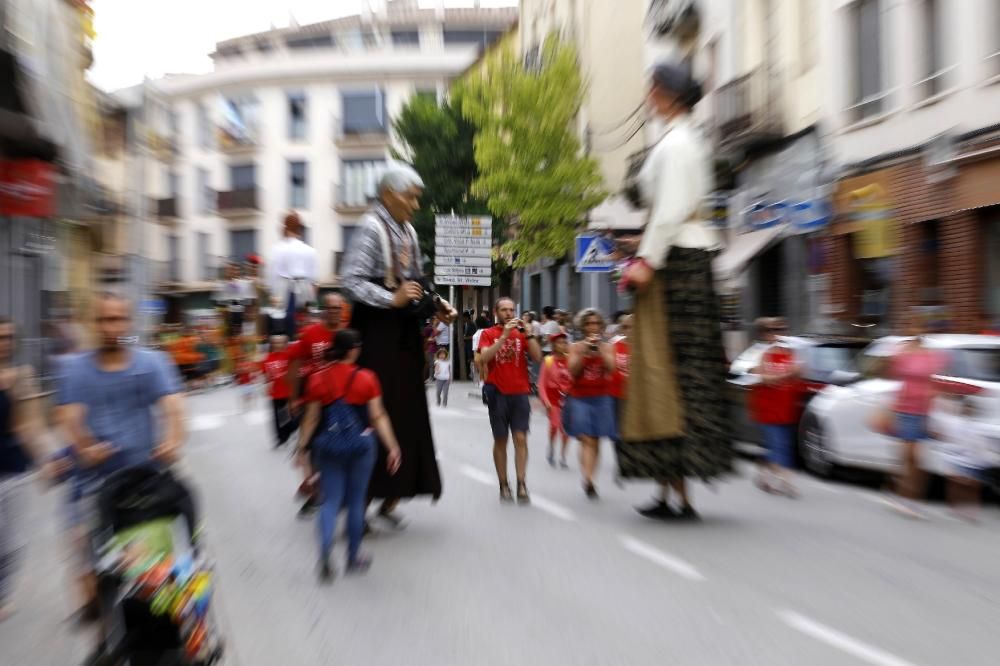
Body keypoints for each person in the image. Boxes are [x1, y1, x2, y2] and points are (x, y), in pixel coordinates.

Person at [617, 62, 733, 521]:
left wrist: (647, 259)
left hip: (677, 263)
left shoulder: (678, 143)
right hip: (682, 255)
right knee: (669, 373)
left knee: (666, 372)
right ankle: (673, 489)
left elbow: (669, 212)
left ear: (662, 93)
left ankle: (677, 490)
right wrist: (644, 247)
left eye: (651, 87)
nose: (647, 94)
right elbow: (671, 211)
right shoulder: (681, 140)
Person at [57, 294, 184, 626]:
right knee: (92, 568)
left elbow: (173, 407)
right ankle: (104, 636)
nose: (110, 327)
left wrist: (171, 442)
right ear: (93, 324)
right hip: (94, 483)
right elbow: (70, 418)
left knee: (154, 567)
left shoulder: (152, 364)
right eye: (103, 320)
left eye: (116, 319)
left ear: (128, 323)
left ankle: (172, 629)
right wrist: (85, 447)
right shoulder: (76, 370)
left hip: (143, 483)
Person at [341, 162, 455, 526]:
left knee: (405, 414)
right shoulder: (371, 228)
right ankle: (360, 497)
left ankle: (393, 490)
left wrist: (438, 306)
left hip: (402, 338)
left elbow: (416, 281)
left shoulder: (407, 230)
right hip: (376, 335)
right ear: (389, 194)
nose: (415, 205)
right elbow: (351, 282)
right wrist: (391, 299)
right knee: (374, 411)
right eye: (411, 197)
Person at [298, 330, 402, 582]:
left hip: (328, 447)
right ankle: (353, 558)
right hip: (361, 447)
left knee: (330, 501)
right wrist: (392, 446)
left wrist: (302, 449)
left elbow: (311, 419)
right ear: (354, 349)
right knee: (356, 502)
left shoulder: (317, 379)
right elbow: (377, 416)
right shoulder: (367, 378)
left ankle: (325, 553)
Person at [0, 317, 47, 622]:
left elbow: (28, 424)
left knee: (12, 541)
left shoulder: (20, 376)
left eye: (8, 336)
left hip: (14, 468)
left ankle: (2, 593)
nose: (4, 342)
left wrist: (45, 459)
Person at [478, 298, 542, 503]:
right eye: (504, 310)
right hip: (497, 392)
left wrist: (529, 334)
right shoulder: (487, 334)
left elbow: (538, 357)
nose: (508, 313)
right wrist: (504, 335)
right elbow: (484, 358)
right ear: (496, 312)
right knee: (501, 440)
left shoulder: (521, 333)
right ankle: (503, 484)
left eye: (511, 310)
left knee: (521, 438)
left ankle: (521, 482)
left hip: (520, 392)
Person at [288, 292, 346, 514]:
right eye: (329, 308)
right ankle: (314, 491)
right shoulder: (310, 333)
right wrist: (293, 398)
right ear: (323, 310)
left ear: (342, 311)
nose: (333, 312)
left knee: (340, 447)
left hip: (340, 400)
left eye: (337, 308)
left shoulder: (346, 333)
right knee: (309, 447)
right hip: (313, 399)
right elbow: (294, 364)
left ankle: (335, 489)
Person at [885, 325, 948, 519]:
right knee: (909, 456)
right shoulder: (904, 354)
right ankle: (903, 494)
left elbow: (934, 378)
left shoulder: (932, 357)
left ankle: (911, 498)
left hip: (924, 411)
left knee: (916, 458)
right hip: (906, 410)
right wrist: (903, 351)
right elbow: (892, 371)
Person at [565, 309, 617, 499]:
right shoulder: (576, 346)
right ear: (582, 327)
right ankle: (587, 480)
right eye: (588, 324)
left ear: (601, 327)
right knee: (586, 438)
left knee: (595, 440)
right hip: (580, 398)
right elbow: (573, 371)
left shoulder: (607, 347)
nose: (592, 327)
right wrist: (585, 351)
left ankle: (591, 478)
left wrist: (601, 353)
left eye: (596, 323)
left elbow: (612, 369)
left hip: (601, 398)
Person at [749, 318, 803, 498]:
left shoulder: (790, 352)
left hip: (786, 406)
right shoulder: (759, 352)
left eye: (782, 329)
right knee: (779, 444)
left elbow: (799, 373)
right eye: (773, 330)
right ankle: (785, 480)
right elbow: (762, 378)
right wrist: (787, 374)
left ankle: (764, 467)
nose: (778, 333)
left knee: (781, 444)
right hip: (767, 407)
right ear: (764, 333)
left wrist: (795, 373)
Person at [933, 396, 1000, 522]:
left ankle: (970, 511)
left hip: (973, 460)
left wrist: (986, 458)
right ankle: (954, 507)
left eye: (970, 408)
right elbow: (946, 438)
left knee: (972, 486)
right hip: (957, 458)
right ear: (961, 409)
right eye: (966, 407)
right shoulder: (954, 423)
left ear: (974, 410)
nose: (967, 410)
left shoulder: (978, 427)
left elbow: (983, 446)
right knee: (955, 483)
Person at [268, 211, 318, 340]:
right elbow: (314, 282)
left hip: (283, 294)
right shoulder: (310, 250)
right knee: (303, 330)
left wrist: (273, 297)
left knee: (283, 332)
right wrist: (310, 303)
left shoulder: (277, 249)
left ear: (284, 227)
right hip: (304, 293)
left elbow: (272, 278)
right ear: (299, 229)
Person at [538, 332, 572, 468]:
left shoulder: (571, 360)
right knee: (555, 426)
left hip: (569, 400)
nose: (562, 345)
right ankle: (551, 446)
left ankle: (563, 456)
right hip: (552, 400)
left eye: (565, 342)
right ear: (553, 345)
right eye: (559, 342)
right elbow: (541, 383)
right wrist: (545, 401)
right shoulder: (548, 361)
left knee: (566, 430)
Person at [262, 336, 296, 448]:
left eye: (280, 342)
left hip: (287, 391)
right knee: (277, 416)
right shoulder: (268, 358)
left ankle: (286, 435)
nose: (278, 344)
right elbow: (266, 375)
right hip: (275, 392)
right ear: (272, 344)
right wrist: (266, 385)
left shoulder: (288, 355)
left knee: (286, 415)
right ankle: (280, 438)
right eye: (276, 342)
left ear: (284, 343)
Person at [462, 311, 477, 380]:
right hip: (467, 344)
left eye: (463, 317)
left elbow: (473, 335)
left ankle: (473, 374)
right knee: (469, 359)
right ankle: (471, 373)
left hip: (471, 344)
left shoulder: (472, 324)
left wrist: (465, 338)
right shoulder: (465, 324)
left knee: (471, 359)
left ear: (466, 317)